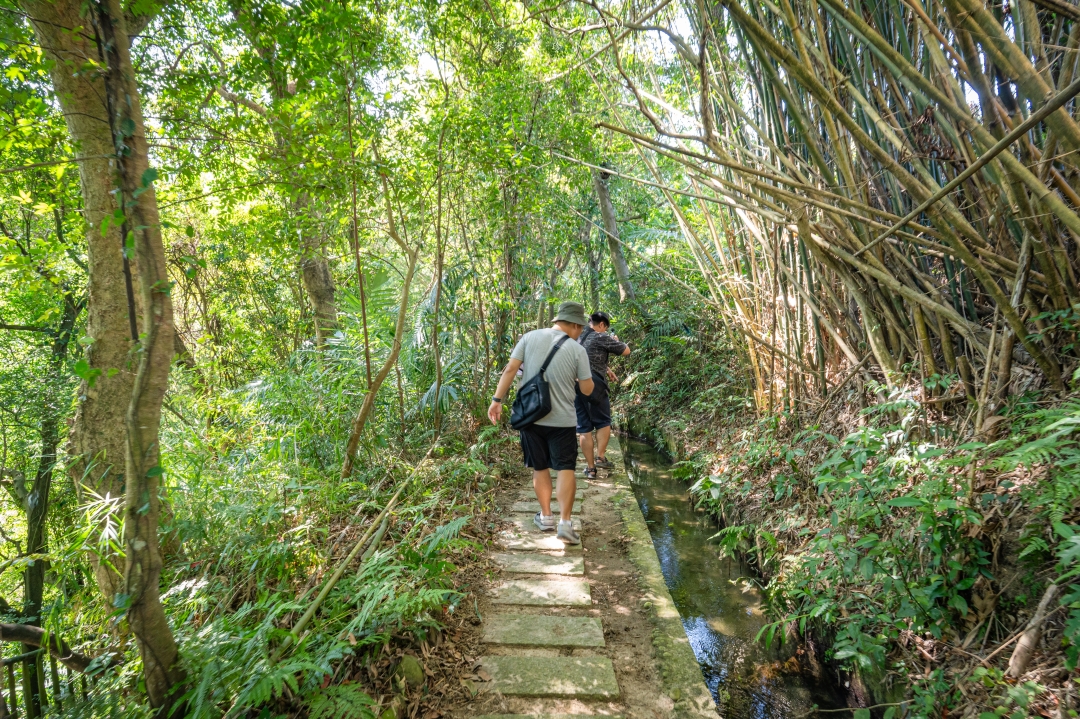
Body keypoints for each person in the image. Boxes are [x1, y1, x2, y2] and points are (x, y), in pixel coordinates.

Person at [488, 301, 594, 545]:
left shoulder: (529, 337)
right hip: (563, 420)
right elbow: (587, 390)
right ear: (576, 326)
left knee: (540, 467)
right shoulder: (578, 350)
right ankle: (565, 523)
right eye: (580, 329)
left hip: (531, 417)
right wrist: (580, 378)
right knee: (565, 468)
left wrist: (497, 400)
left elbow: (510, 370)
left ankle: (546, 516)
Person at [575, 311, 630, 478]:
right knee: (603, 421)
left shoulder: (578, 336)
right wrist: (615, 341)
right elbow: (626, 351)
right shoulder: (601, 336)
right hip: (594, 383)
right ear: (602, 325)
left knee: (584, 427)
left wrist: (606, 368)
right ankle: (600, 457)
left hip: (575, 383)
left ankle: (590, 469)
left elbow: (588, 357)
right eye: (605, 328)